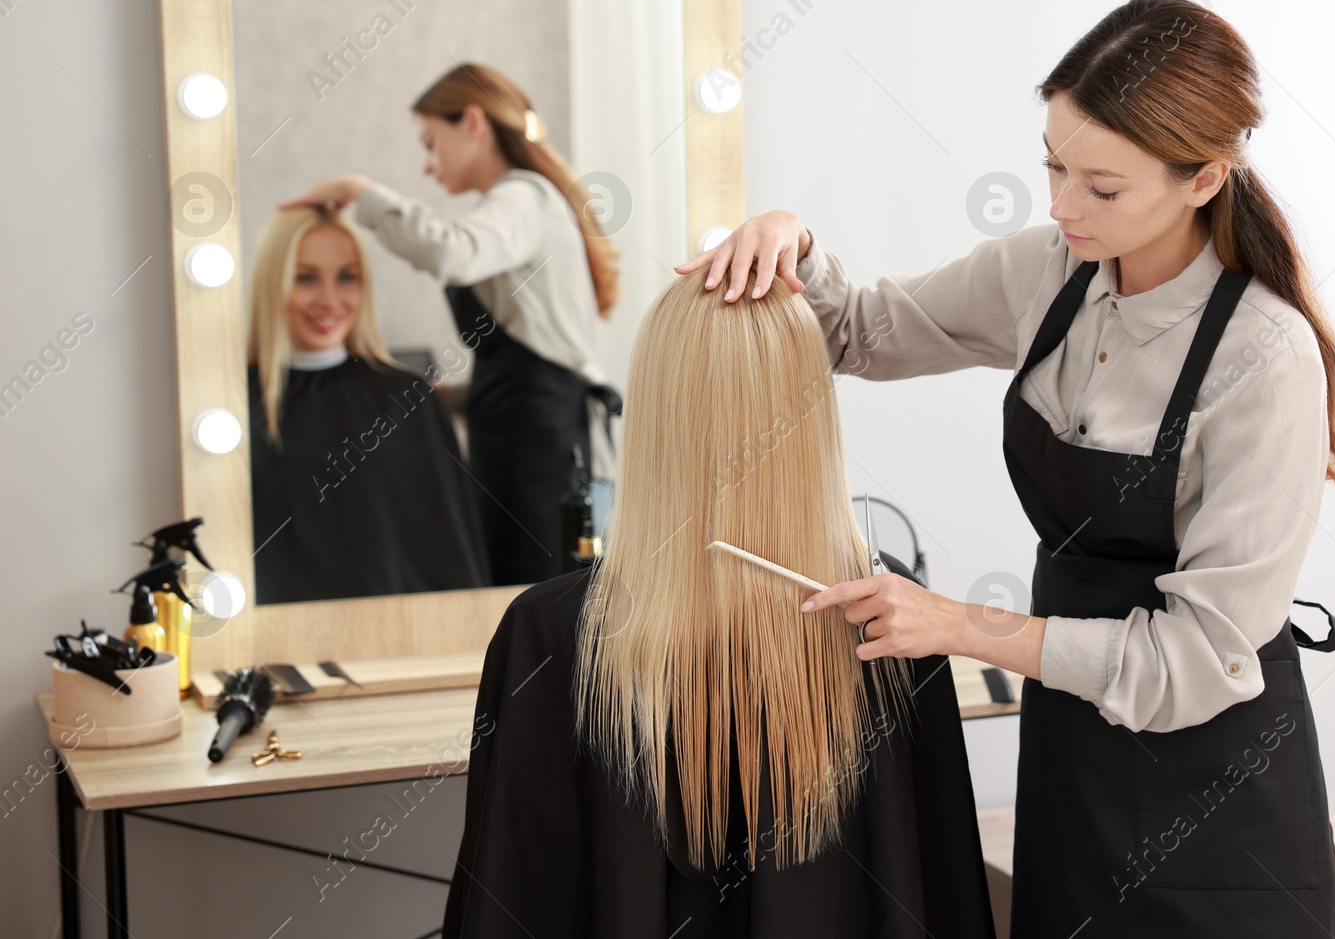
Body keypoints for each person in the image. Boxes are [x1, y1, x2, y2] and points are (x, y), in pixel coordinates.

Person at [680, 0, 1335, 936]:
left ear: (1205, 178)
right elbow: (859, 331)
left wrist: (960, 624)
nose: (1062, 207)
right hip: (1072, 767)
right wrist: (789, 237)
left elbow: (1193, 661)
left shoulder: (1264, 358)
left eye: (1103, 186)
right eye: (1053, 166)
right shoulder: (1048, 272)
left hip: (1217, 806)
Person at [442, 274, 995, 939]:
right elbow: (938, 888)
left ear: (653, 409)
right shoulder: (889, 609)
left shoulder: (548, 631)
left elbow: (513, 897)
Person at [282, 62, 622, 587]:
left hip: (539, 453)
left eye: (430, 144)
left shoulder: (523, 198)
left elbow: (452, 252)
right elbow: (524, 358)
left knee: (533, 594)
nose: (427, 166)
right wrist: (451, 399)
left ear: (473, 123)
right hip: (524, 435)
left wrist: (361, 193)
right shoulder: (522, 204)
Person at [246, 205, 491, 603]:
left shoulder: (410, 401)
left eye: (347, 277)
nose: (329, 299)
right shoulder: (228, 411)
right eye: (305, 277)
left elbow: (452, 557)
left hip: (395, 647)